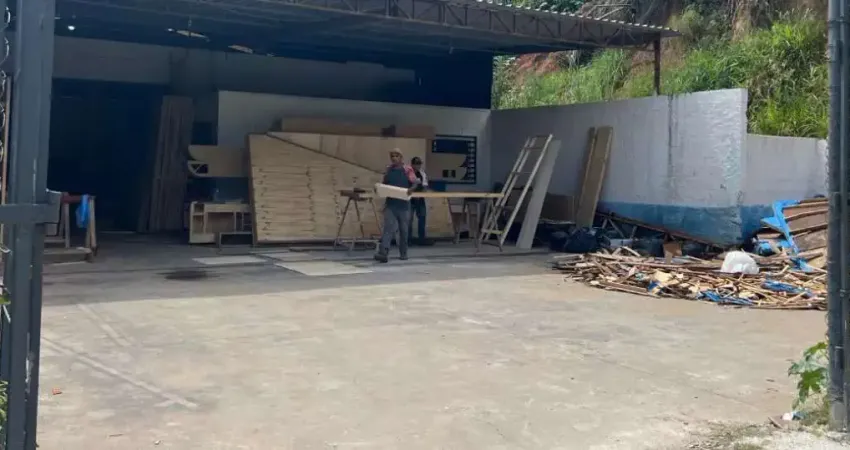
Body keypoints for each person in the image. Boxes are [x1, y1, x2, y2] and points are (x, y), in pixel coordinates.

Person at [374, 149, 419, 263]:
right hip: (391, 204)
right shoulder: (388, 169)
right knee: (388, 229)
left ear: (401, 157)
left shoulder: (407, 169)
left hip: (404, 205)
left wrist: (411, 189)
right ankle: (383, 252)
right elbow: (384, 184)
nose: (394, 158)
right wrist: (378, 188)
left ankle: (403, 253)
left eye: (396, 156)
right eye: (392, 156)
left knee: (404, 230)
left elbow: (415, 183)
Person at [408, 156, 428, 245]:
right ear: (412, 165)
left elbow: (425, 186)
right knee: (408, 220)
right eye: (416, 164)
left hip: (420, 199)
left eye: (419, 164)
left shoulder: (422, 174)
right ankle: (408, 239)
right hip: (409, 199)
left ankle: (421, 239)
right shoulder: (408, 173)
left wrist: (420, 195)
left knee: (422, 218)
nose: (418, 166)